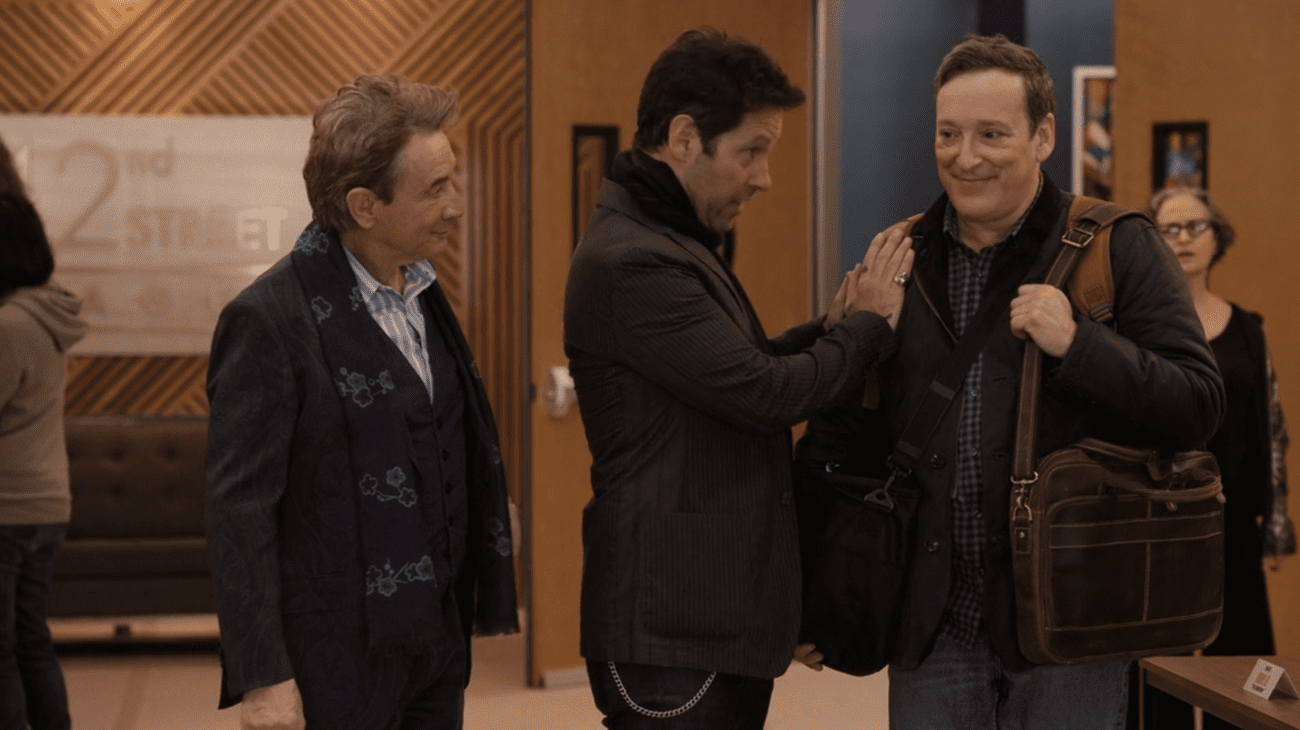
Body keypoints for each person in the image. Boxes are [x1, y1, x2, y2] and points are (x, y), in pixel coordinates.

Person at [808, 34, 1224, 729]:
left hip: (1071, 619)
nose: (965, 157)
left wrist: (1080, 345)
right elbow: (845, 432)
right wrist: (817, 593)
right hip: (931, 624)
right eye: (948, 133)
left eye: (991, 134)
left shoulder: (1116, 245)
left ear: (1044, 136)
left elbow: (1198, 404)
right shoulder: (897, 256)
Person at [562, 28, 912, 729]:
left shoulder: (668, 238)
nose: (764, 176)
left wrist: (831, 327)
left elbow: (732, 368)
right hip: (672, 627)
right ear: (686, 137)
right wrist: (866, 331)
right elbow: (764, 393)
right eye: (751, 151)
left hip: (701, 620)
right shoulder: (636, 261)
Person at [205, 75, 517, 730]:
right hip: (331, 660)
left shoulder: (425, 293)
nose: (456, 206)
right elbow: (241, 513)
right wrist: (263, 677)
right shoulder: (266, 320)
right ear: (364, 205)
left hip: (435, 643)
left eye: (452, 182)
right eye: (435, 190)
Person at [1144, 186, 1296, 730]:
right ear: (1152, 241)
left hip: (1235, 532)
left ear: (1217, 238)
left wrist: (1276, 519)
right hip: (1160, 530)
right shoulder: (1139, 330)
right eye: (1170, 229)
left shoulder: (1248, 329)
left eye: (1196, 227)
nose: (1184, 239)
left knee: (1245, 685)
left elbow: (1271, 430)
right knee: (1163, 682)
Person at [1, 135, 86, 730]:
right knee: (29, 639)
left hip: (6, 505)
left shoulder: (9, 323)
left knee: (4, 649)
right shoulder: (44, 311)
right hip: (47, 500)